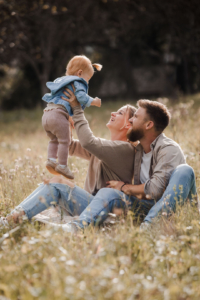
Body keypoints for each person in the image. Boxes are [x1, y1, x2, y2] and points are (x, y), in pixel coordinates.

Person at [52, 95, 197, 232]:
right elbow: (75, 146)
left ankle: (149, 227)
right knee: (108, 192)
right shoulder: (138, 150)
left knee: (185, 170)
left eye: (135, 117)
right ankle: (75, 227)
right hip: (144, 205)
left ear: (148, 125)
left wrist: (124, 187)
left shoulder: (168, 149)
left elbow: (155, 189)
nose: (131, 121)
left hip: (171, 209)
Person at [0, 101, 137, 229]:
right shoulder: (108, 148)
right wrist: (62, 118)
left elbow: (88, 142)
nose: (113, 113)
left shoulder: (126, 149)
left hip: (101, 209)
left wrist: (77, 110)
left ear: (128, 125)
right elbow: (70, 146)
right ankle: (11, 219)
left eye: (120, 113)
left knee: (58, 183)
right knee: (51, 187)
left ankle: (9, 221)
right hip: (90, 206)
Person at [42, 55, 102, 179]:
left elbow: (62, 102)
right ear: (80, 73)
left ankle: (51, 160)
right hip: (58, 115)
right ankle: (62, 166)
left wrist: (70, 118)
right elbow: (81, 97)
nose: (87, 82)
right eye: (88, 79)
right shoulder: (77, 81)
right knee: (65, 141)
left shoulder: (61, 81)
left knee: (54, 140)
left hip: (47, 114)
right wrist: (94, 101)